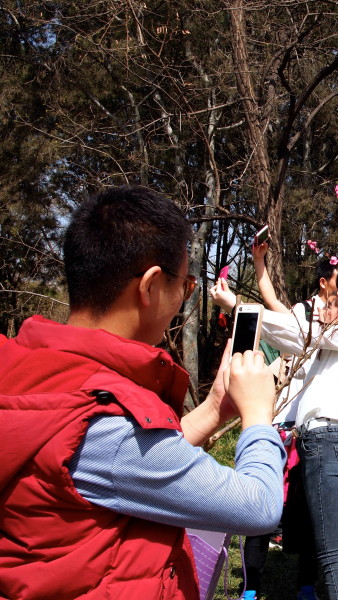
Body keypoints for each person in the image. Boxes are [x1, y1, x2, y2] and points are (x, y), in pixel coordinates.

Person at [0, 185, 286, 600]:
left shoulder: (36, 376)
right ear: (151, 285)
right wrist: (258, 414)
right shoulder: (103, 422)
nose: (185, 298)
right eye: (187, 286)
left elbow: (127, 470)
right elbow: (258, 507)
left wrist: (212, 409)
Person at [212, 254, 338, 600]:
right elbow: (291, 337)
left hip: (327, 438)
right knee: (335, 544)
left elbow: (296, 330)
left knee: (333, 548)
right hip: (318, 439)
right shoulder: (335, 333)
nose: (337, 289)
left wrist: (237, 304)